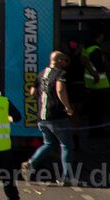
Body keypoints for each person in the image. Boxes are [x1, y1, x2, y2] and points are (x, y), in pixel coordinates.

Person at [23, 51, 75, 186]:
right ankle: (66, 177)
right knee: (66, 146)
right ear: (57, 61)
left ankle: (31, 163)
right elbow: (60, 89)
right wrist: (68, 107)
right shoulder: (60, 74)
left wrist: (42, 99)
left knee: (49, 144)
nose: (66, 63)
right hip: (57, 115)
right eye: (64, 60)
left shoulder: (41, 73)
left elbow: (33, 92)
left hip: (42, 116)